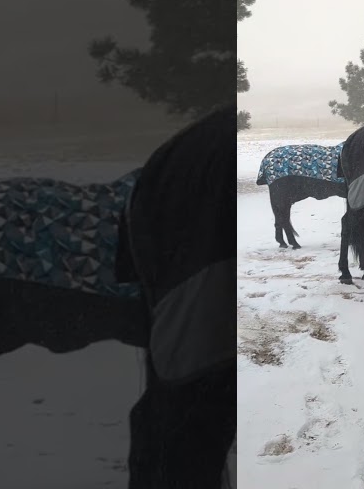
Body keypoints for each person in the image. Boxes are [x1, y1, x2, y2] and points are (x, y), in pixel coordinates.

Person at [117, 107, 234, 488]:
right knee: (195, 420)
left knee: (180, 418)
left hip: (180, 311)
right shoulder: (214, 147)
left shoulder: (182, 147)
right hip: (203, 324)